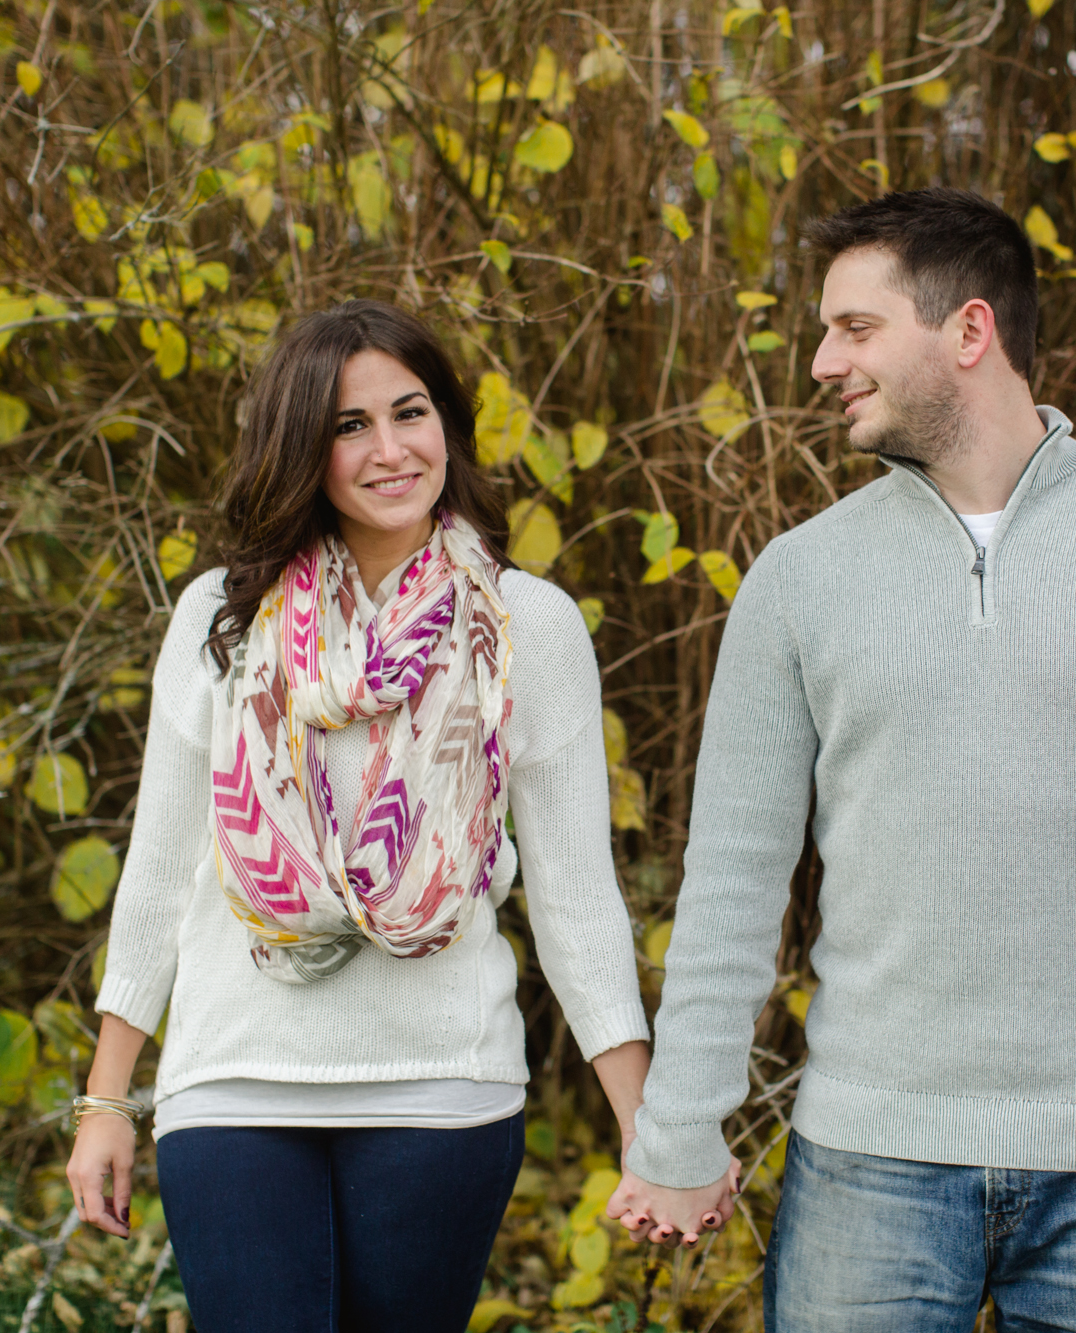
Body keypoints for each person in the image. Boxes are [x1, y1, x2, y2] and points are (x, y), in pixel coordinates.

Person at [606, 188, 1076, 1331]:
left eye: (854, 327)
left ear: (968, 331)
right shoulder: (797, 580)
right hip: (866, 1160)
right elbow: (734, 874)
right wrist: (681, 1122)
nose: (822, 360)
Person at [66, 300, 651, 1333]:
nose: (389, 450)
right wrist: (107, 1098)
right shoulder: (221, 617)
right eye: (348, 426)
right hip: (231, 1082)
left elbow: (573, 899)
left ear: (447, 426)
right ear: (301, 449)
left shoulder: (528, 627)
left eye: (409, 412)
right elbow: (158, 873)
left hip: (441, 1089)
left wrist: (648, 1126)